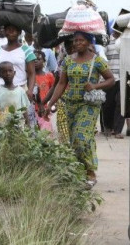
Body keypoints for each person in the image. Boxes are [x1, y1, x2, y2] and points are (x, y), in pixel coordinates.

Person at [42, 32, 115, 186]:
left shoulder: (97, 61)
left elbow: (111, 80)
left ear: (89, 42)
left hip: (88, 105)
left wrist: (95, 85)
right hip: (70, 104)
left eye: (81, 40)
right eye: (75, 41)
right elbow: (61, 84)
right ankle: (79, 171)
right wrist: (50, 104)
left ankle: (90, 172)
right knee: (75, 140)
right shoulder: (68, 60)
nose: (77, 43)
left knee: (80, 137)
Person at [0, 21, 37, 128]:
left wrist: (29, 91)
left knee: (22, 123)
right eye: (8, 29)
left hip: (20, 91)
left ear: (19, 32)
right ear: (4, 31)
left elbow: (32, 73)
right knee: (0, 123)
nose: (11, 32)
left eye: (14, 30)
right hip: (0, 91)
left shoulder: (26, 50)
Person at [101, 29, 124, 138]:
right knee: (108, 104)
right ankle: (108, 127)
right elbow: (101, 54)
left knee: (121, 103)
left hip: (123, 77)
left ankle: (118, 130)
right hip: (109, 77)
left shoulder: (126, 39)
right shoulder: (108, 39)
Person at [0, 62, 30, 127]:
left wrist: (27, 124)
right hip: (1, 124)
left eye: (10, 71)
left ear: (14, 73)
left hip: (17, 124)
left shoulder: (20, 91)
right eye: (4, 72)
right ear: (0, 75)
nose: (8, 73)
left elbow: (24, 110)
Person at [33, 50, 55, 132]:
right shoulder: (29, 78)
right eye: (33, 59)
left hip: (45, 110)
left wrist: (53, 104)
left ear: (44, 61)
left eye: (38, 59)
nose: (35, 61)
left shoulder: (49, 76)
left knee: (46, 133)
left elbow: (54, 90)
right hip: (33, 110)